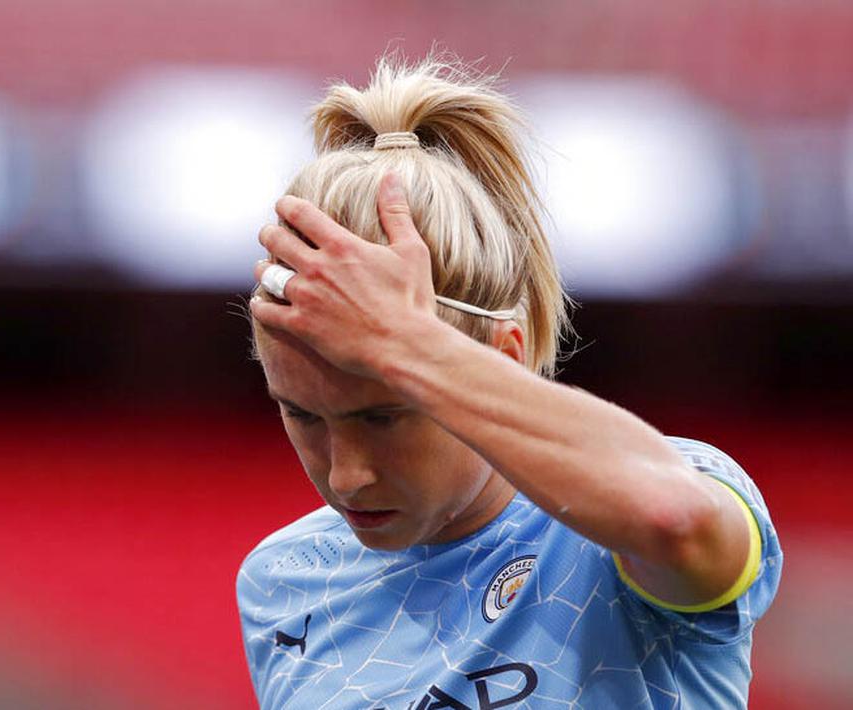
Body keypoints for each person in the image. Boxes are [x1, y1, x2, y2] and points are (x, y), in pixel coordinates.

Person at [235, 55, 781, 710]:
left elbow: (672, 519)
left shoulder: (644, 510)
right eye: (302, 416)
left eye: (385, 415)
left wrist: (408, 344)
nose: (347, 476)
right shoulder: (284, 581)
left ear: (505, 355)